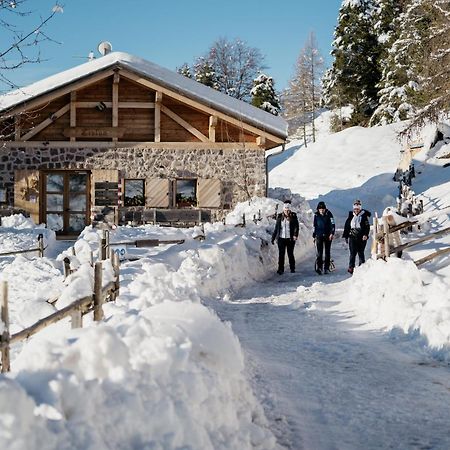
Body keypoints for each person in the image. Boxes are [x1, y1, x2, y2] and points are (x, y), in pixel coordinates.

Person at [342, 199, 371, 274]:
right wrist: (346, 236)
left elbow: (367, 227)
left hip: (361, 237)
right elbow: (347, 226)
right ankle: (351, 267)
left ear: (360, 208)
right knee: (352, 253)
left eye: (358, 209)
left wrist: (365, 235)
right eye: (355, 209)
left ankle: (362, 267)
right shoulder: (351, 216)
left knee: (361, 252)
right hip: (352, 236)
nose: (356, 210)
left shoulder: (364, 216)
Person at [271, 201, 299, 274]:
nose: (287, 211)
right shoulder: (280, 216)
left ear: (290, 210)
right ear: (283, 210)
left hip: (290, 238)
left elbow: (296, 226)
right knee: (281, 254)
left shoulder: (293, 216)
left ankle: (292, 268)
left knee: (290, 253)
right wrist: (273, 238)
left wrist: (295, 235)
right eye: (285, 210)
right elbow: (276, 228)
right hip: (281, 238)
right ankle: (280, 269)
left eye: (288, 210)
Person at [313, 201, 335, 274]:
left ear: (325, 209)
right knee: (319, 253)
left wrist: (332, 233)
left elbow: (333, 224)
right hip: (319, 236)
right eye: (320, 209)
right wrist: (314, 234)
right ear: (318, 209)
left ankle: (326, 267)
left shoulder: (329, 214)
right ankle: (319, 267)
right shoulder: (316, 215)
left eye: (323, 209)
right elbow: (315, 225)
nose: (321, 210)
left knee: (327, 252)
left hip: (328, 235)